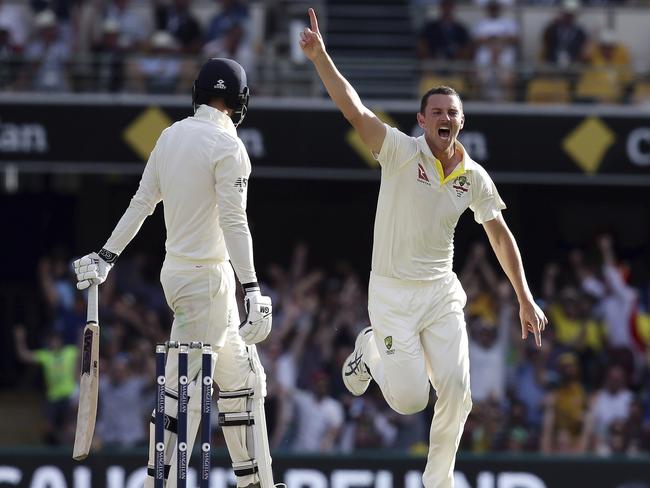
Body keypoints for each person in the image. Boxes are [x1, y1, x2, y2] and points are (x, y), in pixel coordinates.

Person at [300, 9, 547, 487]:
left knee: (457, 389)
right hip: (391, 294)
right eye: (436, 112)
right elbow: (354, 108)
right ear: (421, 120)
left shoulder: (472, 175)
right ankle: (369, 348)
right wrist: (320, 58)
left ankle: (438, 483)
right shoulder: (397, 151)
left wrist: (524, 296)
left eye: (452, 113)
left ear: (461, 121)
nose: (445, 119)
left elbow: (498, 233)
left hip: (440, 291)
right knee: (411, 400)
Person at [73, 58, 275, 488]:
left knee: (243, 381)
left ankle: (253, 482)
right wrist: (253, 287)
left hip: (181, 275)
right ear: (239, 102)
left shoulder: (170, 135)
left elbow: (143, 202)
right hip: (208, 280)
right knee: (187, 394)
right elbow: (234, 221)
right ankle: (155, 484)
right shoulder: (229, 147)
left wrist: (107, 256)